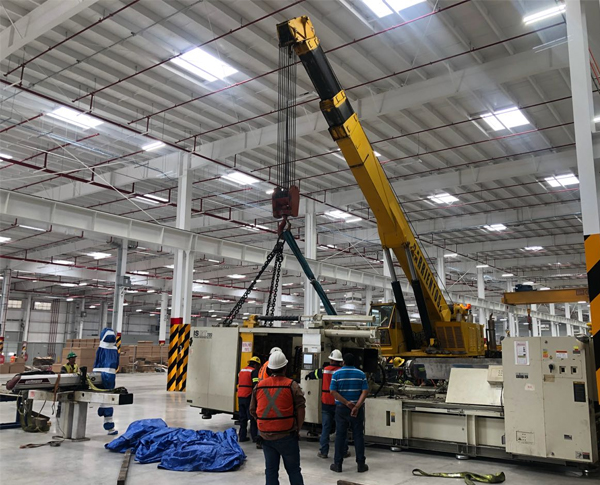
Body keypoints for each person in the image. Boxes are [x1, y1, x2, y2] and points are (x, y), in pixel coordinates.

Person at [251, 351, 305, 485]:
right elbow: (301, 409)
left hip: (266, 437)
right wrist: (298, 428)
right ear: (285, 368)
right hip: (287, 435)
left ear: (269, 369)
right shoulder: (292, 385)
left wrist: (264, 424)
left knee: (270, 470)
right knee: (294, 470)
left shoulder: (259, 386)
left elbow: (252, 410)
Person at [305, 349, 349, 459]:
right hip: (339, 403)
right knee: (341, 428)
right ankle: (343, 451)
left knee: (326, 428)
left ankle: (323, 451)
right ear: (340, 361)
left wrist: (309, 375)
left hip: (326, 402)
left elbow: (315, 374)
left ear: (331, 360)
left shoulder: (325, 370)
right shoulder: (343, 371)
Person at [329, 353, 369, 474]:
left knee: (340, 436)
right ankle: (361, 465)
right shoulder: (361, 374)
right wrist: (356, 406)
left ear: (343, 362)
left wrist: (346, 403)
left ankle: (338, 464)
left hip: (341, 409)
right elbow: (365, 391)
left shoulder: (337, 374)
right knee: (358, 436)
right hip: (357, 410)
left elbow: (332, 391)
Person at [93, 328, 119, 436]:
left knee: (104, 397)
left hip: (99, 374)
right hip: (110, 376)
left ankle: (103, 410)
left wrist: (94, 371)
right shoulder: (114, 349)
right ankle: (110, 427)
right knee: (108, 399)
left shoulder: (101, 348)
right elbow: (117, 364)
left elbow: (97, 361)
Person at [238, 356, 261, 443]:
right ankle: (254, 437)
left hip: (240, 395)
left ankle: (242, 436)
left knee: (242, 418)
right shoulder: (254, 371)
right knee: (252, 418)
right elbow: (255, 384)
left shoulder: (242, 370)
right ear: (255, 364)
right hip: (248, 396)